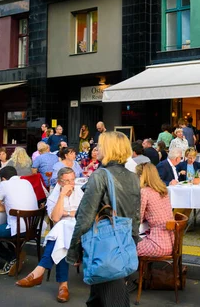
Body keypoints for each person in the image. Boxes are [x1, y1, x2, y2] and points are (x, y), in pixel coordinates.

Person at [67, 131, 141, 307]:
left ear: (108, 148)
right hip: (121, 243)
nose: (96, 148)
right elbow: (135, 216)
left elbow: (85, 217)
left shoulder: (100, 175)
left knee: (112, 298)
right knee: (100, 298)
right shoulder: (133, 177)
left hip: (104, 245)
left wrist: (74, 250)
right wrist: (132, 243)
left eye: (100, 145)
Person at [16, 167, 84, 303]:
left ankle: (40, 272)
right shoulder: (54, 196)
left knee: (61, 230)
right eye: (67, 181)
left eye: (72, 180)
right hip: (63, 231)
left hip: (80, 229)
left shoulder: (81, 192)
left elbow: (83, 215)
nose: (71, 184)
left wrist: (69, 213)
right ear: (59, 182)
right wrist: (62, 196)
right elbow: (56, 218)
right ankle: (63, 287)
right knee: (62, 236)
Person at [0, 166, 38, 276]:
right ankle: (16, 254)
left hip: (18, 228)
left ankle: (11, 258)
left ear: (3, 178)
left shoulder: (4, 184)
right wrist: (9, 206)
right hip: (32, 227)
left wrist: (7, 206)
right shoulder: (26, 182)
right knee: (4, 226)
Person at [136, 163, 174, 257]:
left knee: (126, 248)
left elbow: (138, 218)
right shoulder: (163, 190)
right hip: (172, 242)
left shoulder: (144, 192)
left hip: (157, 244)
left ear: (141, 176)